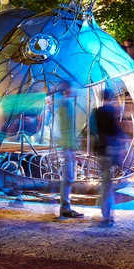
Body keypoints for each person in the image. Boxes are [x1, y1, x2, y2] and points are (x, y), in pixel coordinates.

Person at [89, 84, 120, 224]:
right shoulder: (110, 111)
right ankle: (107, 215)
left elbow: (92, 131)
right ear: (111, 98)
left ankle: (105, 211)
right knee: (107, 183)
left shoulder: (95, 112)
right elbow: (114, 130)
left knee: (104, 181)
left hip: (99, 150)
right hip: (109, 150)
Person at [56, 82, 83, 218]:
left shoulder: (63, 104)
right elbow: (68, 129)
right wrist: (72, 148)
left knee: (68, 178)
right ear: (67, 90)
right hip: (67, 145)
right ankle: (65, 208)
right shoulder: (67, 105)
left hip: (66, 145)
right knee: (68, 178)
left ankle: (65, 206)